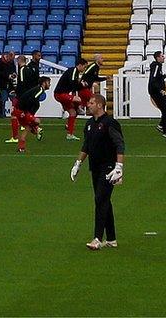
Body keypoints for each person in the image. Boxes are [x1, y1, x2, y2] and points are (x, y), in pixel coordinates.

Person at [72, 92, 124, 250]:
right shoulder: (89, 124)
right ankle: (112, 239)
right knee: (104, 200)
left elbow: (119, 145)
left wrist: (119, 167)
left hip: (108, 168)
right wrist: (78, 163)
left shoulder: (110, 123)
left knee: (100, 200)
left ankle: (97, 238)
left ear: (100, 105)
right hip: (94, 167)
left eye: (91, 103)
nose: (88, 105)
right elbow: (86, 145)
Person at [9, 50, 44, 149]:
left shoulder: (22, 70)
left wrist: (18, 94)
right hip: (27, 96)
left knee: (15, 114)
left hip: (22, 97)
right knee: (24, 118)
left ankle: (18, 136)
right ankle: (35, 130)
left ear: (19, 61)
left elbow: (22, 84)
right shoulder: (29, 69)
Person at [145, 50, 166, 136]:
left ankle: (162, 127)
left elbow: (157, 77)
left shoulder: (158, 66)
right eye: (162, 56)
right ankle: (163, 129)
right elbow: (153, 80)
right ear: (158, 58)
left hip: (155, 91)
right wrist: (160, 89)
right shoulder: (156, 66)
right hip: (156, 91)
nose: (163, 57)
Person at [53, 63, 84, 139]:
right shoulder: (74, 70)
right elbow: (74, 84)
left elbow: (74, 87)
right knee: (78, 99)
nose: (84, 69)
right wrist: (82, 84)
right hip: (60, 94)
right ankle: (79, 108)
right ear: (80, 65)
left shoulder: (74, 72)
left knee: (73, 113)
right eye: (84, 67)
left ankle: (69, 134)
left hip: (62, 94)